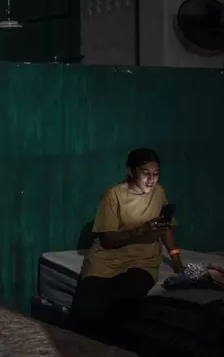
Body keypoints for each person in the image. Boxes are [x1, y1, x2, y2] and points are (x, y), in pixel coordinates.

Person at [67, 148, 184, 345]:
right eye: (145, 173)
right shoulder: (114, 194)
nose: (151, 180)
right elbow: (107, 241)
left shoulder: (159, 192)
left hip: (142, 260)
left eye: (155, 174)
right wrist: (141, 230)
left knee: (124, 301)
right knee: (87, 310)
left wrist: (176, 260)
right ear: (131, 171)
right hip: (106, 259)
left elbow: (166, 229)